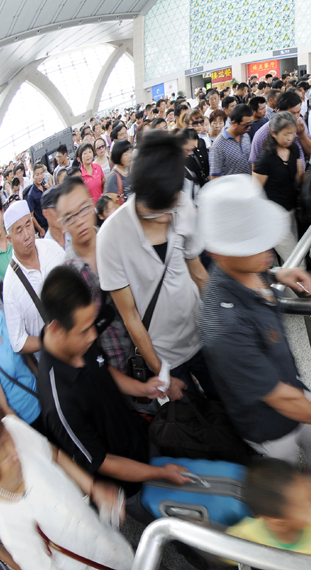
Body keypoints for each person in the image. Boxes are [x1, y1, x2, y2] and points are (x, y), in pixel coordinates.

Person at [198, 175, 311, 469]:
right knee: (288, 475)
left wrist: (279, 275)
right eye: (251, 244)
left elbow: (256, 270)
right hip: (269, 428)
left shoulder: (251, 269)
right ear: (218, 253)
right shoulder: (224, 325)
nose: (266, 250)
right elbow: (279, 398)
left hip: (293, 387)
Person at [37, 266, 187, 508]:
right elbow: (103, 461)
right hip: (129, 487)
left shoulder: (80, 341)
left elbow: (104, 369)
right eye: (85, 330)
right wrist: (160, 473)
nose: (93, 336)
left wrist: (143, 389)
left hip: (139, 439)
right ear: (56, 328)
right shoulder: (58, 403)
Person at [97, 131, 213, 398]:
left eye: (171, 208)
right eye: (157, 212)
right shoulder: (110, 238)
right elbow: (131, 317)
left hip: (201, 333)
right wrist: (161, 373)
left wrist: (222, 325)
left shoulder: (180, 203)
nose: (167, 218)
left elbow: (198, 274)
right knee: (196, 423)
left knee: (226, 403)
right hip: (165, 354)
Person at [0, 414, 134, 570]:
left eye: (6, 440)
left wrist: (93, 487)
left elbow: (53, 454)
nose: (15, 452)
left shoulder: (13, 427)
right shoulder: (8, 525)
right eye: (4, 457)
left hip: (109, 542)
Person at [57, 177, 134, 372]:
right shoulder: (69, 277)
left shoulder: (116, 239)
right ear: (62, 224)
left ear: (92, 204)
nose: (79, 221)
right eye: (69, 217)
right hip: (114, 366)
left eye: (83, 209)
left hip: (151, 344)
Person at [2, 201, 66, 356]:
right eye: (19, 231)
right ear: (9, 239)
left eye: (28, 225)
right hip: (53, 363)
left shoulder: (51, 248)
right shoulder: (10, 286)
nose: (27, 235)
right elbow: (18, 342)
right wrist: (49, 341)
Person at [252, 113, 305, 263]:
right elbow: (255, 190)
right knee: (295, 261)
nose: (290, 137)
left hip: (291, 209)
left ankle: (287, 285)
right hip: (273, 215)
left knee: (292, 258)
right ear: (273, 133)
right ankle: (297, 286)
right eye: (286, 134)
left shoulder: (293, 149)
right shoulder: (265, 159)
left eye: (293, 133)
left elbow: (299, 175)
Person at [250, 91, 311, 165]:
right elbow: (254, 163)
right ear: (279, 111)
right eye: (292, 113)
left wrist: (302, 135)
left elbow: (310, 150)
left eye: (298, 112)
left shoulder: (300, 122)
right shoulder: (263, 134)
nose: (296, 117)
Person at [209, 104, 253, 179]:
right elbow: (214, 176)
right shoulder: (218, 145)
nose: (249, 128)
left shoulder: (246, 136)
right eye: (246, 125)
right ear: (234, 123)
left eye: (250, 124)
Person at [24, 163, 48, 237]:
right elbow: (31, 216)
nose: (40, 176)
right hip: (44, 227)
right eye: (37, 174)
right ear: (33, 176)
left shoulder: (45, 186)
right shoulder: (31, 195)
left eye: (41, 173)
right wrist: (40, 229)